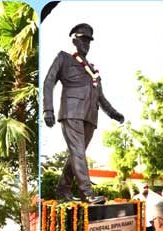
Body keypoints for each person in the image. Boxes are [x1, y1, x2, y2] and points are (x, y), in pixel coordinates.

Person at [43, 23, 125, 204]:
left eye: (88, 41)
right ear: (74, 40)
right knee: (78, 152)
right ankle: (87, 194)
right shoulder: (64, 58)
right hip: (71, 112)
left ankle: (62, 189)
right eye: (82, 39)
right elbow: (49, 82)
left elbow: (101, 97)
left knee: (76, 153)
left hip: (90, 116)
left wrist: (114, 114)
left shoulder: (93, 71)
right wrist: (48, 108)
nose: (86, 44)